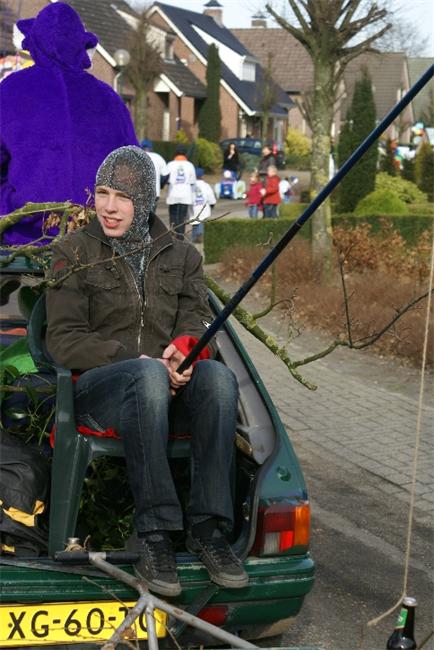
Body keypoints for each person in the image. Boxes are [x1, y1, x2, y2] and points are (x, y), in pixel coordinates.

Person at [46, 146, 249, 597]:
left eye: (123, 197)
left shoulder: (183, 255)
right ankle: (155, 535)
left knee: (219, 379)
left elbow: (198, 321)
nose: (109, 206)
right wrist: (131, 360)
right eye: (102, 193)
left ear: (145, 201)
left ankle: (208, 529)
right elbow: (62, 339)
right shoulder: (71, 252)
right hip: (100, 393)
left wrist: (185, 352)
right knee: (147, 377)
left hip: (166, 391)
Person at [0, 2, 138, 246]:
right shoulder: (109, 99)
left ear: (34, 44)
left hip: (25, 236)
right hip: (96, 238)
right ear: (81, 46)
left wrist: (10, 203)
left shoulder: (10, 91)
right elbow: (134, 169)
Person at [166, 145, 196, 239]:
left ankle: (173, 235)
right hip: (185, 195)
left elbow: (166, 179)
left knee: (173, 216)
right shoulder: (190, 165)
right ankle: (181, 237)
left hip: (173, 194)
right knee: (182, 217)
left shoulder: (170, 164)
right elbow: (192, 181)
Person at [140, 139, 169, 211]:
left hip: (140, 193)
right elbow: (166, 174)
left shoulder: (138, 156)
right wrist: (161, 185)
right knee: (151, 214)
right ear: (151, 148)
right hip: (154, 192)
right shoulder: (158, 157)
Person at [190, 168, 216, 243]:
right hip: (203, 207)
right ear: (202, 176)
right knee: (201, 221)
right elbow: (211, 197)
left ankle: (193, 238)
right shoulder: (206, 185)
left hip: (193, 208)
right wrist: (212, 204)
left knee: (194, 223)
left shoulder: (191, 185)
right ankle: (199, 235)